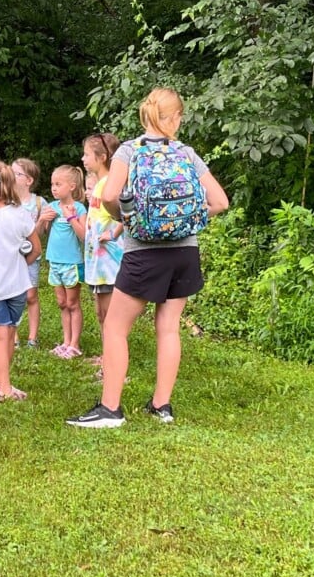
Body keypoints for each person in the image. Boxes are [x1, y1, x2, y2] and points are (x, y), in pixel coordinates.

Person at [66, 87, 229, 428]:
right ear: (176, 118)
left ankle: (110, 409)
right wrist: (186, 221)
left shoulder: (130, 150)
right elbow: (220, 202)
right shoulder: (187, 154)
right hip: (186, 251)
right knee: (168, 328)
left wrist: (126, 218)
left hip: (145, 252)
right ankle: (161, 406)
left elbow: (109, 194)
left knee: (115, 327)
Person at [0, 161, 41, 400]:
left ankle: (2, 387)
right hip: (17, 286)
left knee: (2, 336)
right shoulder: (20, 213)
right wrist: (20, 265)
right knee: (9, 333)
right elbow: (35, 248)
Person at [81, 133, 125, 365]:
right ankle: (106, 355)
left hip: (110, 262)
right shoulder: (98, 184)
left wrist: (114, 233)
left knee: (110, 316)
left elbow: (128, 213)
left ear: (103, 157)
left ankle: (113, 361)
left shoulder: (111, 185)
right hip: (97, 263)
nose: (83, 158)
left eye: (87, 154)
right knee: (101, 313)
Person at [39, 165, 87, 359]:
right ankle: (65, 341)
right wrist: (42, 219)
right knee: (61, 303)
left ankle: (75, 344)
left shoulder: (79, 208)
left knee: (73, 303)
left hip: (72, 263)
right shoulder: (51, 207)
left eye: (58, 184)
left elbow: (84, 236)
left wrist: (71, 217)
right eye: (52, 184)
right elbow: (37, 234)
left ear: (72, 186)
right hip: (54, 262)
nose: (54, 188)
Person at [11, 158, 46, 349]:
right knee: (12, 295)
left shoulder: (39, 203)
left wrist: (40, 222)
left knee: (31, 295)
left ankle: (33, 337)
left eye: (16, 173)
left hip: (32, 256)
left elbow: (40, 235)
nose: (11, 175)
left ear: (28, 180)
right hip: (10, 257)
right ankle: (13, 336)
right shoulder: (6, 201)